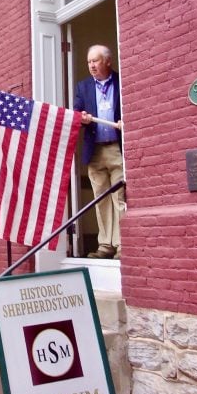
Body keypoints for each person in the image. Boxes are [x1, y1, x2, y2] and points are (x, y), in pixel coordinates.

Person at [74, 44, 125, 259]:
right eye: (89, 62)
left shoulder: (121, 80)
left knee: (120, 197)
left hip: (116, 148)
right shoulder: (83, 86)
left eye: (95, 61)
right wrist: (81, 117)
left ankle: (124, 244)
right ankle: (105, 245)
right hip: (94, 150)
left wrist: (125, 120)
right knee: (100, 198)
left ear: (107, 61)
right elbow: (76, 112)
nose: (92, 65)